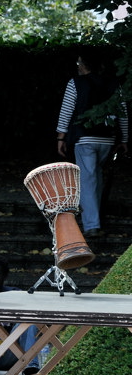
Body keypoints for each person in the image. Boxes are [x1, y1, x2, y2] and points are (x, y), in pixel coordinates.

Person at [55, 53, 129, 237]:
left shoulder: (76, 83)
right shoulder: (114, 84)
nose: (77, 65)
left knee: (87, 180)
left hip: (85, 137)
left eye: (79, 62)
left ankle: (91, 225)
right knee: (95, 177)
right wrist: (124, 139)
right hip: (108, 138)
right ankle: (94, 217)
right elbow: (123, 113)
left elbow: (66, 111)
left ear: (84, 65)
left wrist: (61, 138)